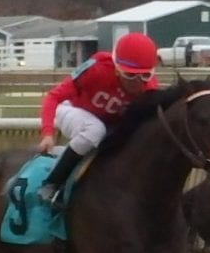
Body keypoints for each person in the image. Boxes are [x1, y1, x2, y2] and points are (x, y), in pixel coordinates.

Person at [34, 32, 160, 207]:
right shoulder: (97, 68)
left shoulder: (150, 89)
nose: (137, 82)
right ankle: (51, 184)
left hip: (104, 122)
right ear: (116, 67)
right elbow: (53, 97)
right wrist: (47, 133)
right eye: (130, 75)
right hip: (70, 109)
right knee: (95, 129)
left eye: (145, 75)